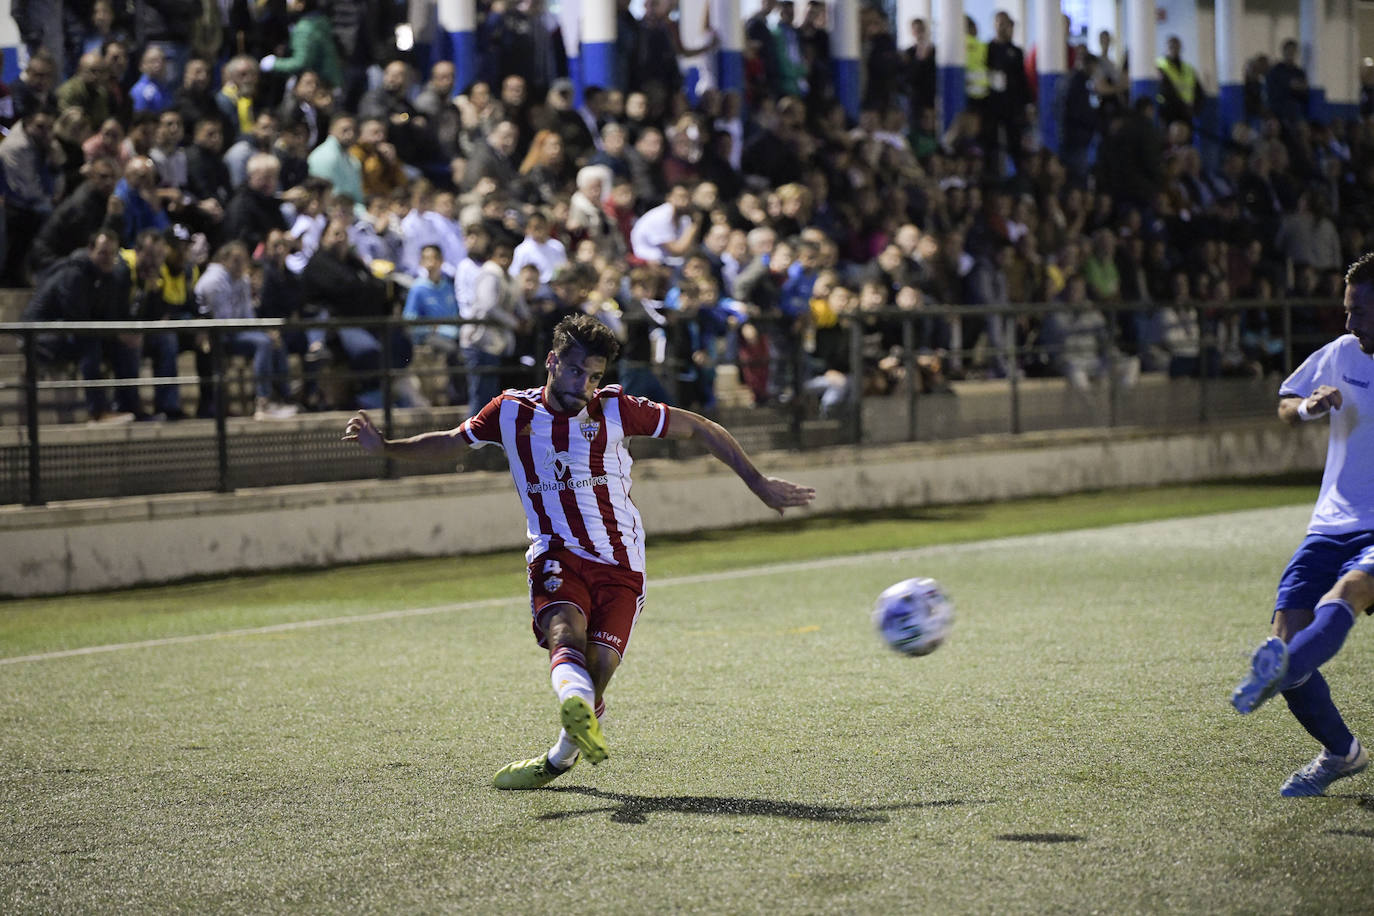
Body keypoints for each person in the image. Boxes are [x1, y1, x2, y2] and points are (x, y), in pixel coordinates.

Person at [341, 313, 816, 788]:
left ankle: (560, 757)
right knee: (563, 632)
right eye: (575, 372)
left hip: (621, 563)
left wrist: (758, 482)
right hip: (556, 552)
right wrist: (386, 447)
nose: (584, 385)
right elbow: (451, 443)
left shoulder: (616, 408)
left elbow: (701, 428)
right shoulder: (510, 411)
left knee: (596, 674)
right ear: (552, 361)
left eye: (594, 376)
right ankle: (572, 721)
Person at [1230, 251, 1374, 797]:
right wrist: (1310, 407)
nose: (1349, 321)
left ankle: (1270, 674)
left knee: (1353, 588)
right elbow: (1286, 402)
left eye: (1359, 310)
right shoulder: (1339, 354)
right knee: (1288, 650)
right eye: (1346, 308)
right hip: (1328, 527)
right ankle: (1342, 751)